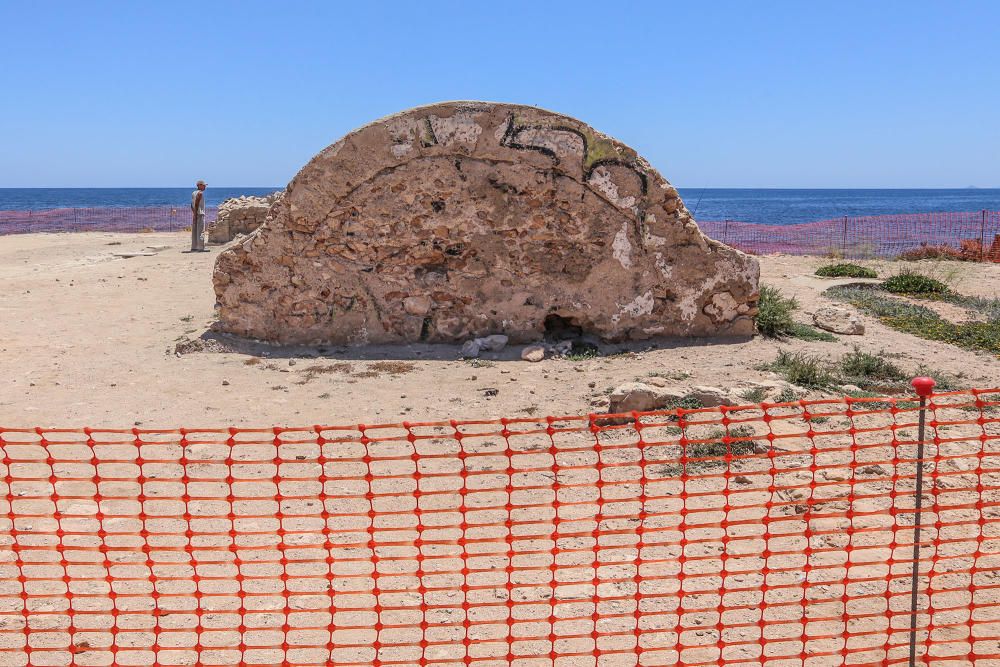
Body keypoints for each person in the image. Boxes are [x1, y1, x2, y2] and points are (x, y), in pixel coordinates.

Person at [190, 180, 208, 251]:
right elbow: (196, 203)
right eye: (204, 185)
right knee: (201, 231)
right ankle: (201, 247)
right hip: (200, 213)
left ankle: (194, 247)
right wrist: (196, 213)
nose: (205, 187)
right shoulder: (200, 193)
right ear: (199, 185)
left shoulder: (193, 193)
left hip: (195, 213)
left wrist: (194, 212)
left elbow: (192, 204)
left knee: (194, 231)